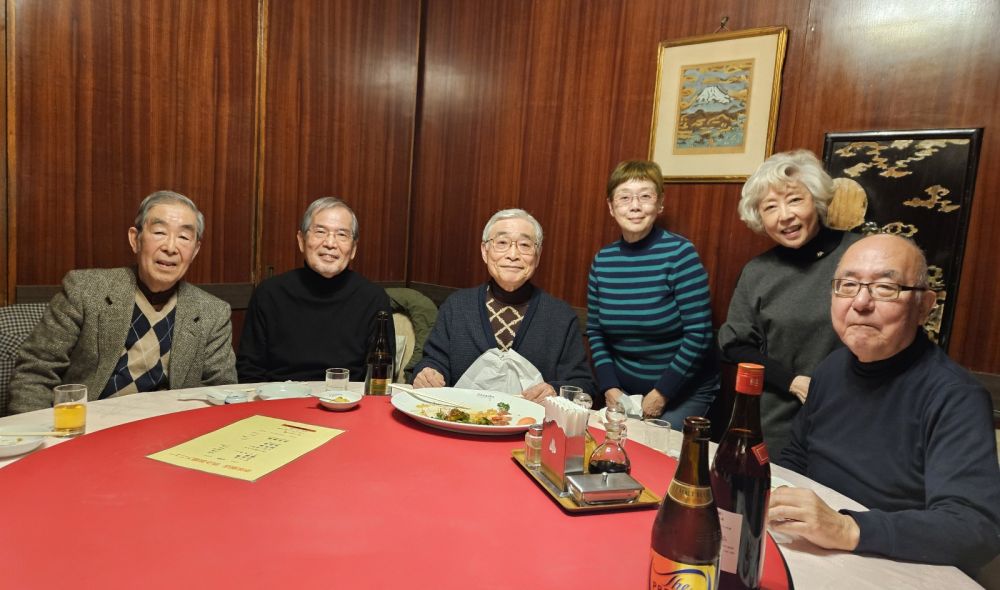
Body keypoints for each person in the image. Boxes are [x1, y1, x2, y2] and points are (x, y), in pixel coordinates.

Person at [770, 234, 1000, 577]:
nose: (861, 302)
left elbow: (975, 527)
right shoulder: (831, 368)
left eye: (885, 288)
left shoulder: (955, 396)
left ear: (924, 306)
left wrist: (847, 529)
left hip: (894, 564)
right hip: (814, 550)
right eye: (848, 285)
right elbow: (797, 456)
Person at [8, 191, 237, 414]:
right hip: (87, 427)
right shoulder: (85, 290)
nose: (170, 247)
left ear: (195, 250)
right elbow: (36, 372)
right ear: (135, 239)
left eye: (184, 237)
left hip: (168, 431)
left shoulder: (212, 312)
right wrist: (37, 432)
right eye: (159, 232)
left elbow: (221, 392)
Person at [718, 150, 862, 456]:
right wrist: (792, 381)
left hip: (854, 414)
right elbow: (735, 345)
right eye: (770, 207)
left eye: (795, 200)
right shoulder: (757, 272)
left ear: (816, 200)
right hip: (779, 419)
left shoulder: (860, 255)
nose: (784, 215)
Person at [412, 209, 593, 401]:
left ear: (538, 255)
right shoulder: (456, 306)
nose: (513, 254)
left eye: (525, 245)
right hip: (461, 415)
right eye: (502, 243)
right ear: (485, 251)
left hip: (531, 420)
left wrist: (553, 390)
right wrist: (427, 373)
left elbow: (583, 384)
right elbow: (433, 360)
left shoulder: (560, 316)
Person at [586, 160, 718, 420]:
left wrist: (661, 393)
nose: (635, 206)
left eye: (645, 196)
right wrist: (610, 387)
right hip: (625, 391)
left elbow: (699, 334)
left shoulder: (680, 254)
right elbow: (595, 331)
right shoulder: (602, 261)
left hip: (682, 390)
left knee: (654, 444)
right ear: (611, 207)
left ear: (660, 204)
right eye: (624, 197)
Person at [237, 197, 393, 382]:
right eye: (320, 232)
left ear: (353, 249)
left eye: (342, 235)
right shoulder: (269, 294)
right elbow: (249, 371)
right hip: (280, 396)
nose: (330, 243)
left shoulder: (373, 299)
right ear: (301, 240)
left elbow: (380, 375)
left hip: (347, 396)